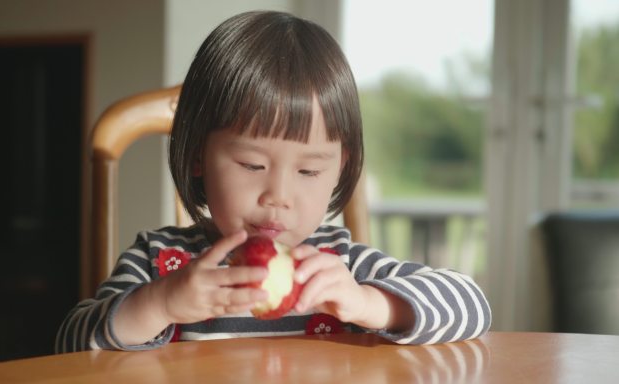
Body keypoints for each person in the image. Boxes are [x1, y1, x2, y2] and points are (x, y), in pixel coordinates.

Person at [56, 10, 491, 353]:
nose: (278, 197)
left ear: (339, 168)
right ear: (196, 158)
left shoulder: (338, 266)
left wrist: (369, 303)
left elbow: (472, 304)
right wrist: (159, 304)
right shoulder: (160, 262)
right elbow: (70, 343)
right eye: (251, 164)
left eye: (308, 171)